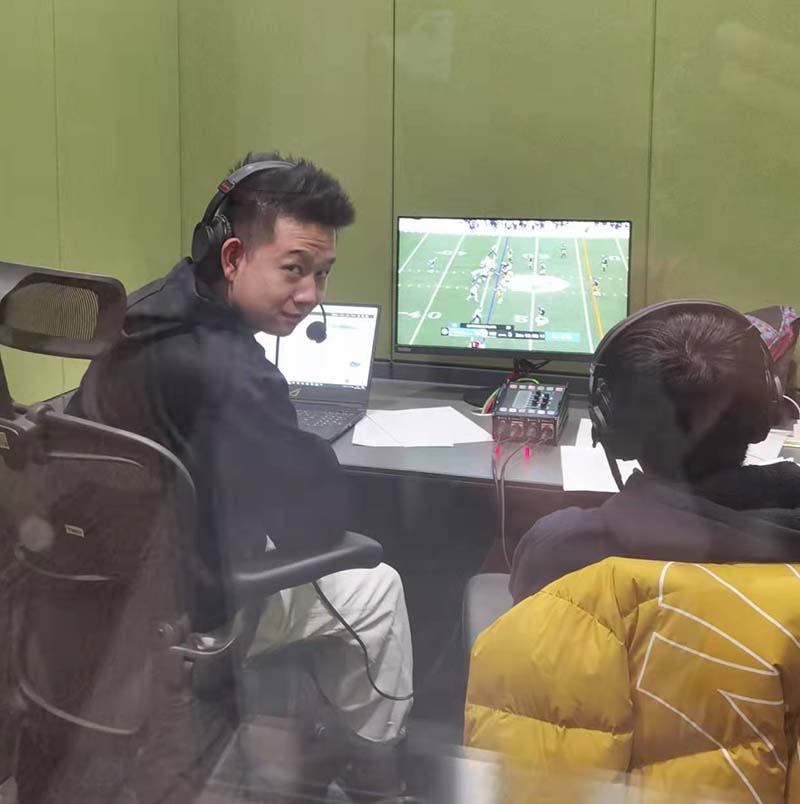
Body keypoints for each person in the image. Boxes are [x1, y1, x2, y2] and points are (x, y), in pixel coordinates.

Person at [67, 151, 413, 798]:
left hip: (98, 602)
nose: (310, 294)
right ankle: (378, 780)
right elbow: (316, 527)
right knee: (377, 587)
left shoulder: (137, 316)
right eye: (293, 270)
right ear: (231, 258)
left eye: (322, 273)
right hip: (187, 611)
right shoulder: (237, 375)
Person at [465, 302, 800, 802]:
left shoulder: (565, 549)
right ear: (766, 414)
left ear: (611, 428)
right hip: (760, 781)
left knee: (485, 584)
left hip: (618, 781)